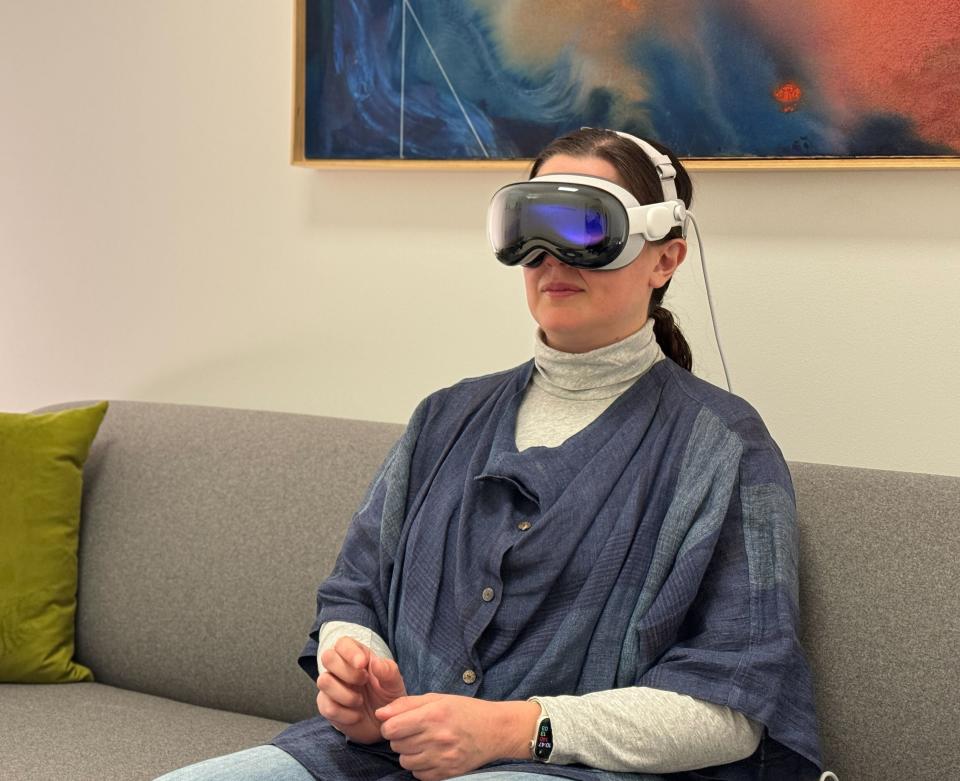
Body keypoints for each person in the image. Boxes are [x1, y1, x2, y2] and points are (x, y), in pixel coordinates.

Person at [156, 128, 823, 781]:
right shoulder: (445, 417)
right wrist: (355, 671)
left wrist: (510, 729)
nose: (549, 258)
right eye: (527, 228)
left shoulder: (723, 449)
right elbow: (352, 595)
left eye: (586, 229)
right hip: (378, 753)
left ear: (665, 257)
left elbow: (733, 708)